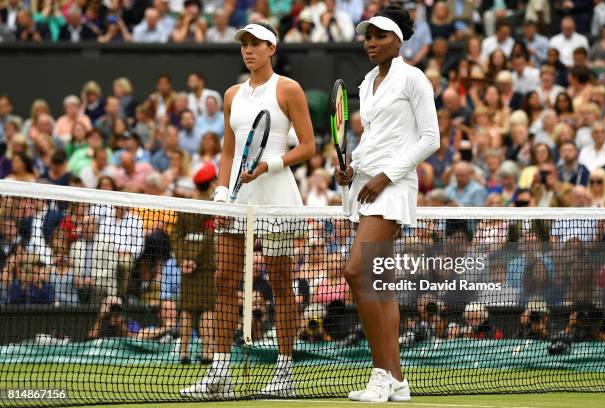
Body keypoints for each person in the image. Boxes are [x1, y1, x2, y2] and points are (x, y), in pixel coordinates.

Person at [180, 21, 316, 399]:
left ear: (272, 48)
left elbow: (308, 147)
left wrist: (268, 166)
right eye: (244, 44)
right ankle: (220, 373)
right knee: (224, 279)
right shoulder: (232, 95)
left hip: (276, 195)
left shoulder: (289, 89)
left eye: (256, 43)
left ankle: (284, 372)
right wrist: (222, 191)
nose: (248, 49)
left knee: (280, 285)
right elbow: (229, 150)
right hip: (237, 202)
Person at [334, 6, 439, 402]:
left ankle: (380, 373)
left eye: (379, 36)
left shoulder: (414, 79)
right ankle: (396, 380)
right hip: (366, 182)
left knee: (356, 270)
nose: (371, 43)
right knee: (381, 285)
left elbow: (430, 138)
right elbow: (373, 139)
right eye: (367, 37)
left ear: (398, 40)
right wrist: (352, 167)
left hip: (392, 186)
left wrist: (386, 176)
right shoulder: (366, 82)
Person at [173, 162, 217, 364]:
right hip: (206, 264)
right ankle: (208, 352)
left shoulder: (186, 206)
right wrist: (194, 260)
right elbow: (209, 237)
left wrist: (184, 260)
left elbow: (176, 236)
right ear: (211, 183)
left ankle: (184, 352)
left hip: (187, 267)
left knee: (187, 309)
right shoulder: (212, 205)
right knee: (207, 308)